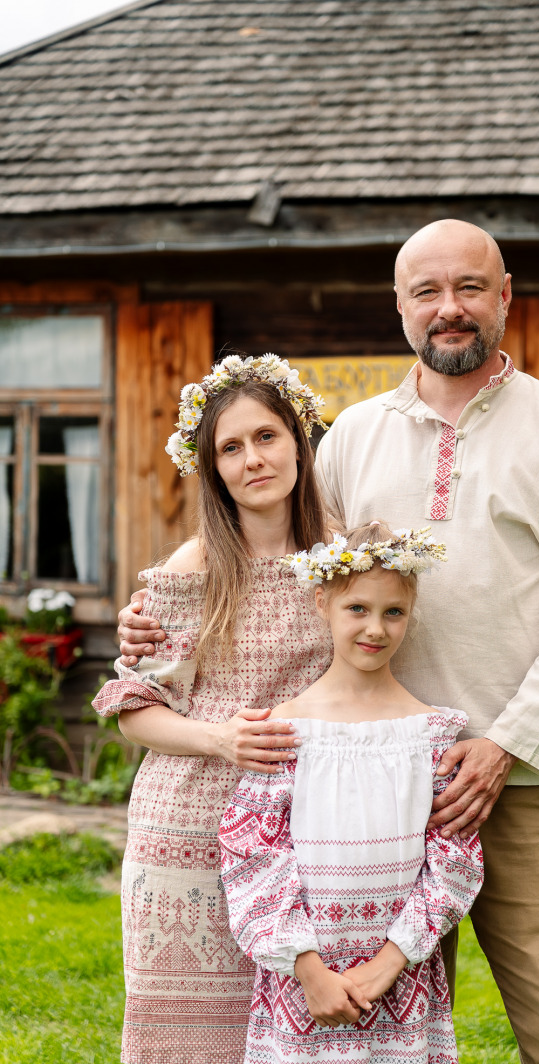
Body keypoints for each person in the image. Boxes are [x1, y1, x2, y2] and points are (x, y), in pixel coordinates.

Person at [119, 219, 539, 1064]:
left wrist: (502, 744)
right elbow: (285, 556)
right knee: (387, 1030)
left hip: (517, 771)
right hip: (367, 780)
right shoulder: (354, 434)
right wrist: (160, 611)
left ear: (504, 296)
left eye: (469, 287)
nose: (448, 307)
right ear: (400, 307)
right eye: (427, 291)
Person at [92, 354, 334, 1064]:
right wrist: (219, 739)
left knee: (302, 1035)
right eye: (230, 448)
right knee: (190, 1042)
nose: (252, 459)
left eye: (266, 437)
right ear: (213, 469)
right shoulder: (192, 569)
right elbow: (136, 709)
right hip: (188, 829)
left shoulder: (341, 560)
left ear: (298, 442)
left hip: (304, 829)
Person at [218, 522, 485, 1064]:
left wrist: (390, 961)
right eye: (357, 608)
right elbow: (252, 856)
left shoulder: (431, 735)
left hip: (399, 981)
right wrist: (308, 970)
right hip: (306, 983)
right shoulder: (284, 732)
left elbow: (454, 860)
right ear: (322, 602)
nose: (376, 629)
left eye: (394, 612)